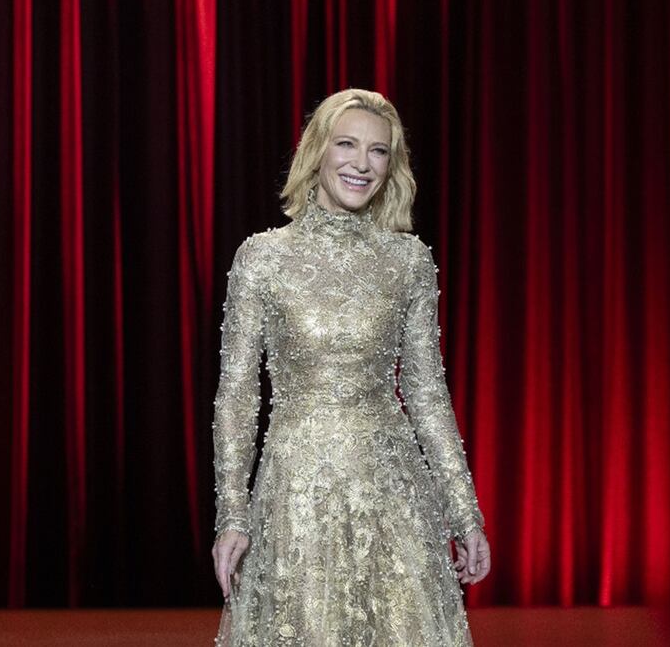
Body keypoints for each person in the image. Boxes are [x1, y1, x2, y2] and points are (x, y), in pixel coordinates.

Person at [210, 88, 490, 645]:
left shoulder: (409, 261)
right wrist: (233, 514)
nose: (362, 163)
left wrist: (465, 513)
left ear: (392, 166)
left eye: (379, 152)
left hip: (394, 497)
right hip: (297, 498)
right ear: (317, 151)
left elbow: (428, 393)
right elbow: (238, 396)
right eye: (347, 144)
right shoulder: (263, 258)